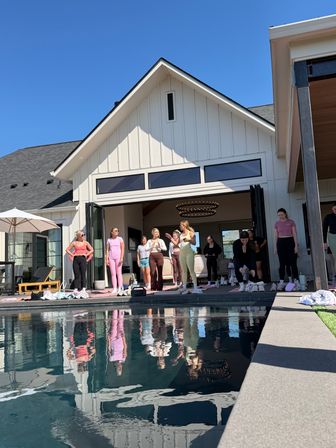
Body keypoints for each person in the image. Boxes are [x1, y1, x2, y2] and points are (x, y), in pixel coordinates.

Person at [167, 220, 202, 294]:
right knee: (184, 271)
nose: (179, 226)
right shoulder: (180, 235)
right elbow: (176, 244)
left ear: (184, 225)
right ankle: (184, 287)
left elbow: (194, 243)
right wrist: (170, 238)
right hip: (182, 253)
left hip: (189, 252)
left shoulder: (191, 233)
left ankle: (195, 287)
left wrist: (189, 240)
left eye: (181, 225)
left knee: (191, 270)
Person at [274, 208, 299, 290]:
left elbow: (294, 234)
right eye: (279, 215)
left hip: (290, 241)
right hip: (281, 242)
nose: (280, 216)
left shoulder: (291, 222)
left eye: (281, 214)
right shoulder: (277, 223)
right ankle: (281, 281)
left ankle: (295, 280)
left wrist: (296, 246)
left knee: (293, 263)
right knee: (282, 263)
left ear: (285, 214)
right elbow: (275, 236)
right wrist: (275, 247)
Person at [66, 230, 94, 295]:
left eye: (84, 235)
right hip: (76, 259)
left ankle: (84, 288)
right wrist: (72, 254)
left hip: (83, 258)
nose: (83, 236)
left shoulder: (85, 243)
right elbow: (67, 249)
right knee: (76, 274)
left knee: (83, 273)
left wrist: (86, 254)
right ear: (78, 236)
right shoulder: (74, 243)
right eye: (82, 235)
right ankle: (76, 288)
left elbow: (92, 250)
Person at [108, 310, 127, 376]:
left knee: (114, 325)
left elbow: (109, 348)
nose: (119, 368)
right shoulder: (123, 358)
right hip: (120, 340)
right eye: (120, 369)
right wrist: (124, 338)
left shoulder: (111, 359)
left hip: (113, 340)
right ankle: (121, 310)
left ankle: (115, 310)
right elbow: (125, 347)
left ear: (116, 369)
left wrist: (109, 339)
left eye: (118, 370)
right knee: (120, 325)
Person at [106, 227, 125, 295]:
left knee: (119, 273)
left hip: (118, 257)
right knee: (113, 273)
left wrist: (121, 258)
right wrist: (106, 259)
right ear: (112, 232)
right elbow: (107, 250)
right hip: (111, 258)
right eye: (115, 231)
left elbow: (122, 249)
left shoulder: (120, 239)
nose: (117, 232)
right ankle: (114, 288)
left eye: (117, 230)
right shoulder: (109, 240)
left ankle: (120, 287)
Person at [323, 203, 336, 279]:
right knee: (333, 258)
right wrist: (324, 242)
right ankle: (334, 275)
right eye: (335, 209)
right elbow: (324, 229)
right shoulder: (328, 217)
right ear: (332, 209)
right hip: (332, 238)